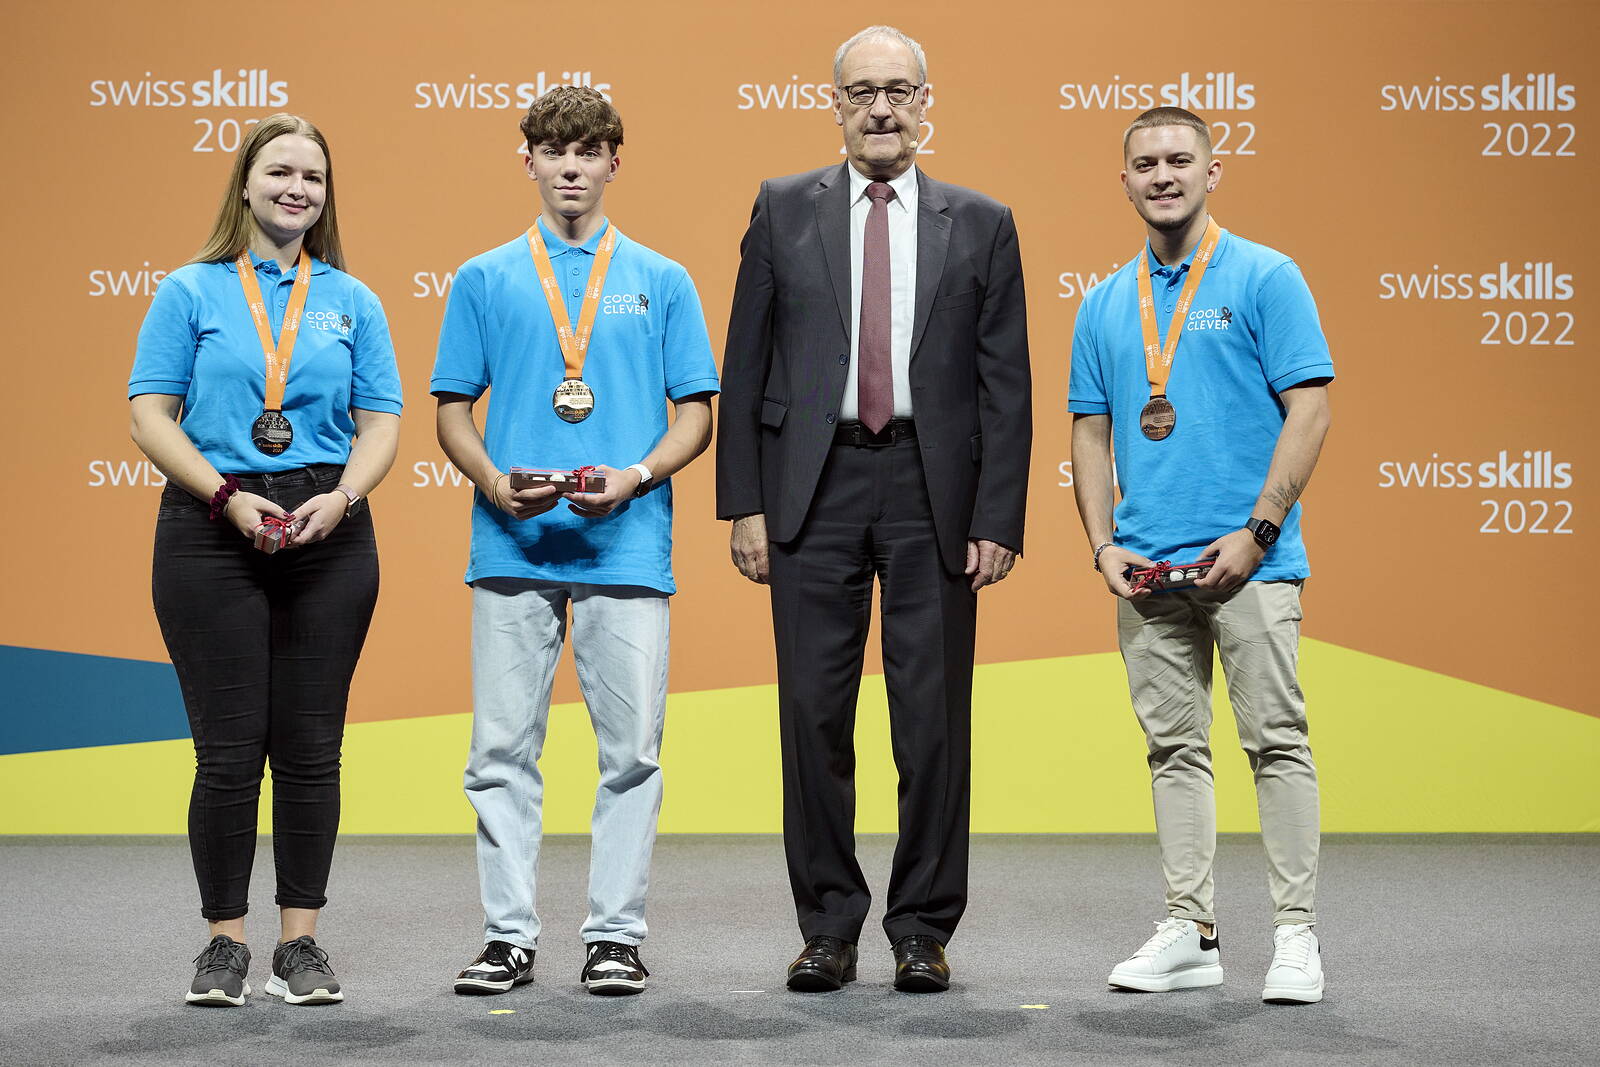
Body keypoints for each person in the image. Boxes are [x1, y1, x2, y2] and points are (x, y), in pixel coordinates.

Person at [717, 25, 1031, 994]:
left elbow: (1004, 384)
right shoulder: (780, 209)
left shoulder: (981, 221)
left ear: (927, 102)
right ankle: (827, 925)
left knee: (931, 722)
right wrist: (744, 503)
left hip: (931, 490)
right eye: (863, 92)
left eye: (899, 90)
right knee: (812, 716)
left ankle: (923, 927)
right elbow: (748, 360)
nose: (882, 107)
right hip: (813, 487)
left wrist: (998, 515)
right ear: (836, 104)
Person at [432, 86, 717, 998]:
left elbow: (696, 414)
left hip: (625, 545)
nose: (569, 167)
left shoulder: (662, 278)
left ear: (613, 163)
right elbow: (450, 409)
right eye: (553, 151)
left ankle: (614, 936)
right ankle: (508, 935)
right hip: (512, 545)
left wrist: (633, 477)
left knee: (631, 755)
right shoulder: (483, 276)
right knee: (499, 753)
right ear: (527, 160)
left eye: (588, 151)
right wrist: (488, 480)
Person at [128, 113, 403, 1007]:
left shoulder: (353, 300)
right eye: (279, 171)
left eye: (313, 178)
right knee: (227, 752)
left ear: (326, 196)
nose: (297, 189)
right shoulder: (190, 291)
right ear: (244, 183)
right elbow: (150, 415)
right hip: (211, 526)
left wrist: (345, 496)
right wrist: (227, 498)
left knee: (313, 750)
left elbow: (383, 424)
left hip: (330, 526)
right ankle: (223, 944)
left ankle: (301, 943)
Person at [1068, 106, 1333, 1004]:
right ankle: (1193, 929)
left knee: (1277, 742)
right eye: (1146, 163)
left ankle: (1296, 936)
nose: (1163, 175)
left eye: (1181, 159)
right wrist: (1102, 543)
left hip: (1252, 561)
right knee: (1173, 751)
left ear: (1213, 171)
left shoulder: (1267, 275)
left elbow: (1311, 408)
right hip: (1146, 569)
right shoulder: (1105, 302)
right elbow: (1092, 434)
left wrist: (1259, 530)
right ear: (1125, 179)